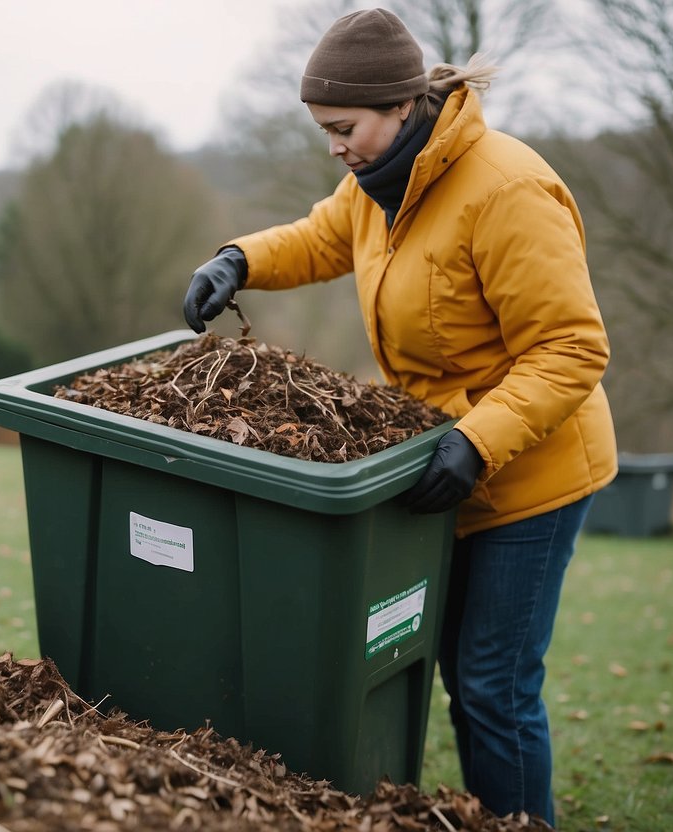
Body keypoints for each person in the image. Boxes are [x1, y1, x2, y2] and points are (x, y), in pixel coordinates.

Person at [181, 8, 617, 826]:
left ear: (400, 105)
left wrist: (474, 442)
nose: (335, 147)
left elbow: (570, 348)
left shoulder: (505, 189)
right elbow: (320, 238)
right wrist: (237, 258)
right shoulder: (380, 187)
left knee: (493, 681)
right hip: (448, 466)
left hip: (530, 473)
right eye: (323, 132)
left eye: (344, 128)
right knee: (453, 667)